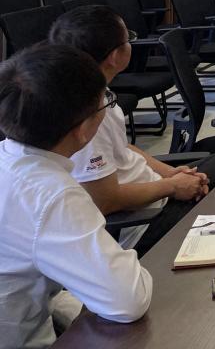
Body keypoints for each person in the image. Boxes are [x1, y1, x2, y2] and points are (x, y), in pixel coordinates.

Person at [49, 6, 215, 256]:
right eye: (128, 39)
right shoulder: (85, 117)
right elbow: (105, 201)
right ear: (115, 56)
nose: (132, 43)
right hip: (144, 224)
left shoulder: (98, 92)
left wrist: (171, 173)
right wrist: (172, 187)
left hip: (157, 191)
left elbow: (122, 148)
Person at [0, 44, 152, 348]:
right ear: (83, 130)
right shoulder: (51, 195)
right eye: (105, 101)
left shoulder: (12, 162)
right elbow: (129, 299)